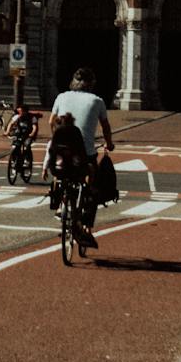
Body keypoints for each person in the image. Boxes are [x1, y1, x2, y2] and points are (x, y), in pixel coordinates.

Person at [49, 66, 113, 251]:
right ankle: (87, 227)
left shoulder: (61, 96)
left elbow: (50, 121)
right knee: (93, 187)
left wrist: (58, 138)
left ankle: (60, 203)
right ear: (91, 84)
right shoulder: (97, 101)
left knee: (59, 173)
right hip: (85, 154)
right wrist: (109, 144)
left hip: (61, 152)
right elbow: (106, 127)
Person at [41, 109, 92, 244]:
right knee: (84, 186)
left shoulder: (56, 135)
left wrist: (45, 169)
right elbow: (82, 151)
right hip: (74, 170)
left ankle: (58, 205)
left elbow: (49, 152)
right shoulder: (75, 132)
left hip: (58, 169)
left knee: (58, 180)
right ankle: (80, 212)